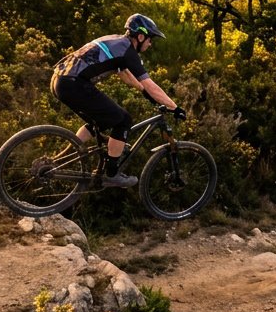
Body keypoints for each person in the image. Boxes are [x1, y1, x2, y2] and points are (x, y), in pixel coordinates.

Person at [51, 13, 186, 187]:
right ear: (140, 36)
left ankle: (59, 159)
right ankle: (112, 174)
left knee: (98, 123)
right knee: (123, 120)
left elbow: (123, 73)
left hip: (60, 81)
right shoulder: (128, 52)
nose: (151, 44)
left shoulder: (115, 41)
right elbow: (151, 85)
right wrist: (174, 107)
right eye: (150, 39)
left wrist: (143, 92)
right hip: (75, 85)